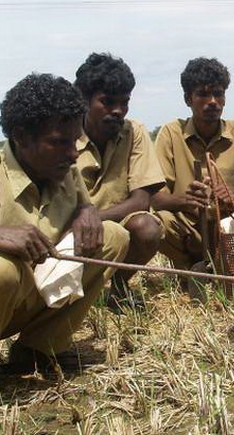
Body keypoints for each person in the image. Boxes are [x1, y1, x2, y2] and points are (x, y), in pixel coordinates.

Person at [0, 73, 130, 410]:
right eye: (60, 142)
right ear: (21, 137)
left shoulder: (64, 170)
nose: (74, 155)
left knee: (111, 235)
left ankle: (35, 350)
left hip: (22, 300)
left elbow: (85, 207)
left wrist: (87, 210)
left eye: (76, 141)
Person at [153, 57, 234, 270]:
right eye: (203, 94)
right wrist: (188, 200)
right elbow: (157, 199)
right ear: (188, 99)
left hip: (232, 226)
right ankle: (189, 267)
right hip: (190, 228)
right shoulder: (171, 133)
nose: (213, 101)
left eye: (218, 94)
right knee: (156, 222)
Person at [74, 53, 165, 312]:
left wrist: (94, 218)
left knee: (147, 228)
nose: (118, 110)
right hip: (70, 228)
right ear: (83, 100)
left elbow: (141, 200)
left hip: (116, 224)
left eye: (124, 102)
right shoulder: (64, 137)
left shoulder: (134, 132)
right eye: (107, 102)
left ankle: (118, 287)